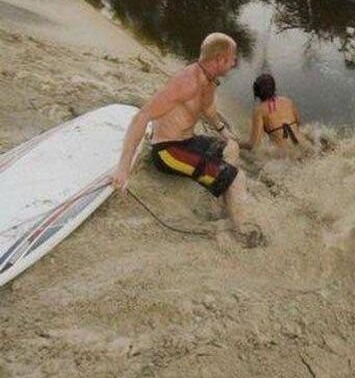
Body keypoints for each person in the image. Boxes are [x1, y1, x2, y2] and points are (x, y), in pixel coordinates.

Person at [112, 32, 262, 244]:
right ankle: (243, 234)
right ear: (219, 59)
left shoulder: (209, 80)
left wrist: (226, 133)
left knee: (231, 148)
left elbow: (208, 109)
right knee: (238, 179)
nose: (235, 62)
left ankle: (224, 194)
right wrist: (123, 168)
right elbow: (141, 116)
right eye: (232, 58)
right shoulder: (186, 82)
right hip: (168, 151)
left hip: (187, 141)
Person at [241, 73, 305, 151]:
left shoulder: (259, 110)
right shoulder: (288, 101)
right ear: (274, 88)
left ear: (257, 91)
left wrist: (238, 144)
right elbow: (298, 124)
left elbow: (254, 144)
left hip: (284, 156)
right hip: (302, 145)